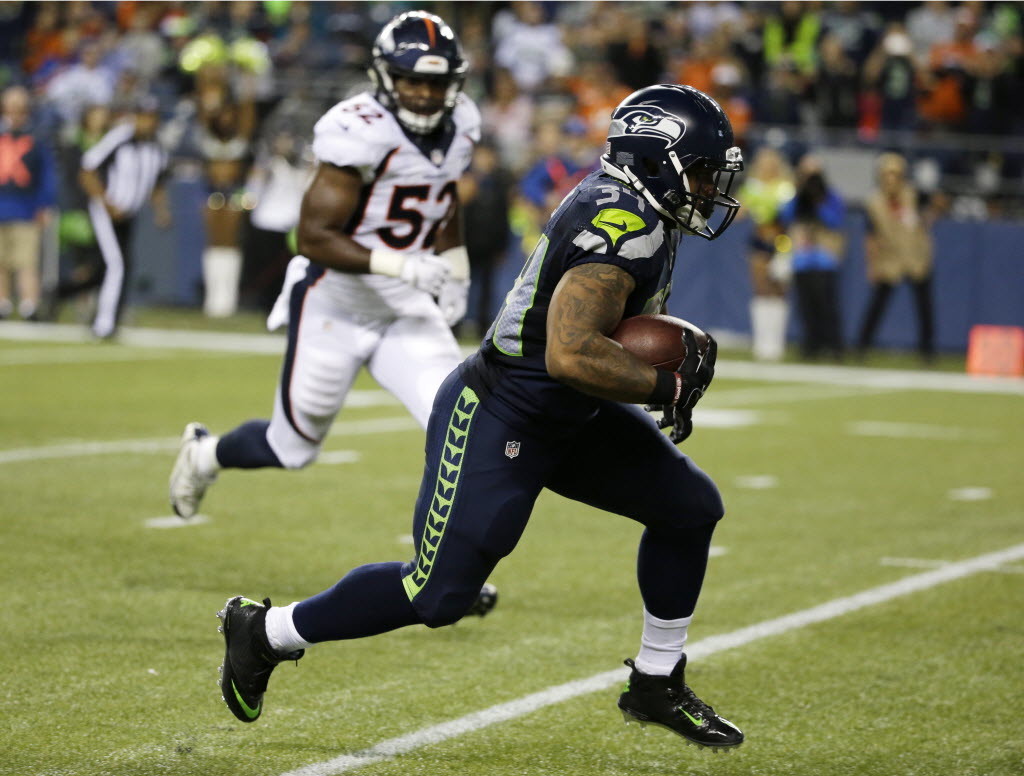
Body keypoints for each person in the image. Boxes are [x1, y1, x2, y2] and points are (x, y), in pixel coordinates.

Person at [214, 84, 746, 751]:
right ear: (656, 158)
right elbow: (570, 354)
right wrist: (661, 381)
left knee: (690, 507)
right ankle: (264, 633)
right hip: (506, 413)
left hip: (567, 414)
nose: (706, 187)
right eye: (698, 169)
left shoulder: (637, 209)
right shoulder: (622, 226)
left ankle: (656, 681)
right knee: (435, 596)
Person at [169, 11, 496, 609]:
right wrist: (404, 264)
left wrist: (456, 266)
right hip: (336, 305)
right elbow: (314, 235)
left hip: (403, 309)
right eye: (411, 80)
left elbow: (442, 197)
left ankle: (444, 569)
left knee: (459, 429)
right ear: (383, 76)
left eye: (435, 81)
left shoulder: (462, 125)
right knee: (291, 448)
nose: (424, 93)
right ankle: (205, 453)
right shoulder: (357, 129)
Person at [77, 96, 171, 339]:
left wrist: (161, 211)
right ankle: (105, 324)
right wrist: (107, 203)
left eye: (151, 117)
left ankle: (64, 296)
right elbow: (87, 170)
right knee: (116, 265)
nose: (147, 122)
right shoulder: (119, 138)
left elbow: (157, 182)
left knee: (110, 266)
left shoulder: (156, 146)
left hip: (129, 214)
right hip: (107, 212)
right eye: (143, 116)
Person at [856, 152, 935, 360]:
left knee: (924, 306)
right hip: (889, 258)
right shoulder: (874, 202)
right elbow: (870, 237)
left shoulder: (914, 195)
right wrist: (871, 265)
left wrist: (925, 246)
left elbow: (933, 212)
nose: (891, 180)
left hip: (914, 256)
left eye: (895, 175)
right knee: (877, 304)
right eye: (887, 175)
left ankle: (927, 350)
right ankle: (862, 346)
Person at [780, 154, 846, 360]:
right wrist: (802, 195)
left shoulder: (831, 196)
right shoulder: (796, 197)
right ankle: (811, 346)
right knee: (806, 306)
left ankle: (835, 347)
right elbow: (785, 216)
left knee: (827, 306)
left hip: (825, 258)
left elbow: (835, 221)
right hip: (802, 259)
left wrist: (818, 201)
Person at [0, 86, 57, 321]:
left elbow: (47, 175)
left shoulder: (36, 139)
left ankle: (29, 306)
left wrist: (44, 205)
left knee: (27, 261)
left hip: (26, 209)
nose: (15, 114)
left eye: (20, 109)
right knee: (0, 261)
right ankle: (2, 304)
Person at [738, 148, 795, 361]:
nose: (768, 167)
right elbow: (739, 213)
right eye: (764, 163)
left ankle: (776, 343)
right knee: (761, 289)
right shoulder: (753, 187)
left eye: (772, 163)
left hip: (782, 241)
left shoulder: (786, 187)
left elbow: (791, 214)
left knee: (779, 290)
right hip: (760, 240)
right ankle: (762, 343)